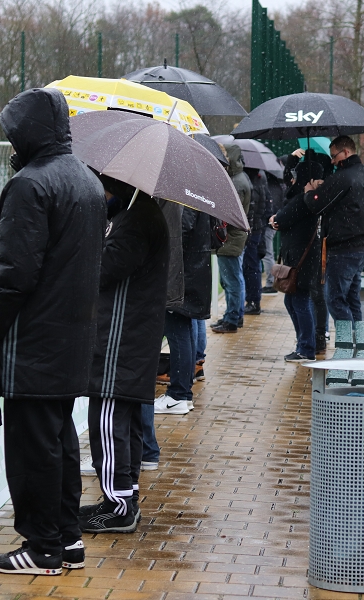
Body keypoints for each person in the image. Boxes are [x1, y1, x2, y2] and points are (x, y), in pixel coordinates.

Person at [0, 88, 106, 574]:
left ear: (27, 131)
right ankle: (66, 540)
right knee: (60, 443)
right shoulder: (88, 181)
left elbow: (14, 276)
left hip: (35, 343)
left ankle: (42, 547)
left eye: (13, 132)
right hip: (72, 340)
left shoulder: (32, 185)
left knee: (34, 450)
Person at [81, 177, 169, 534]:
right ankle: (123, 498)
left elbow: (101, 271)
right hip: (130, 337)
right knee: (124, 419)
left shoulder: (136, 220)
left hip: (121, 340)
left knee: (108, 417)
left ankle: (118, 505)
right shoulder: (139, 214)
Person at [303, 136, 364, 323]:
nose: (332, 160)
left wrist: (310, 192)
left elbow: (316, 205)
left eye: (334, 156)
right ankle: (358, 341)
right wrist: (325, 186)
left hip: (342, 248)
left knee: (334, 300)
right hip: (359, 246)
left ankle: (347, 342)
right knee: (352, 300)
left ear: (346, 152)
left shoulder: (342, 177)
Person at [155, 205, 212, 414]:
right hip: (191, 271)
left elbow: (179, 233)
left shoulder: (183, 198)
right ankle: (182, 394)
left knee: (178, 333)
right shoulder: (196, 194)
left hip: (181, 274)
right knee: (184, 331)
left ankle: (178, 395)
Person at [270, 159, 322, 362]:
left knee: (298, 301)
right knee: (293, 300)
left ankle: (306, 348)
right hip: (300, 257)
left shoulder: (304, 199)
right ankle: (304, 344)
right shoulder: (305, 198)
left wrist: (276, 219)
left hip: (301, 259)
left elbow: (283, 218)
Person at [211, 144, 251, 333]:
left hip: (232, 239)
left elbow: (230, 213)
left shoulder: (236, 183)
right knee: (234, 280)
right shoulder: (239, 179)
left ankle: (232, 319)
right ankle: (234, 316)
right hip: (235, 237)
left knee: (232, 281)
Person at [243, 168, 272, 316]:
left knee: (250, 268)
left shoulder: (250, 180)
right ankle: (253, 300)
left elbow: (254, 208)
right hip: (257, 229)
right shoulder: (261, 179)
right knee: (252, 267)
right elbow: (267, 205)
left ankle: (252, 301)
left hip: (251, 230)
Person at [261, 171, 286, 294]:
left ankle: (271, 282)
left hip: (269, 224)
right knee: (268, 254)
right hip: (272, 223)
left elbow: (271, 207)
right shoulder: (280, 185)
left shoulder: (273, 186)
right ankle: (271, 281)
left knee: (267, 254)